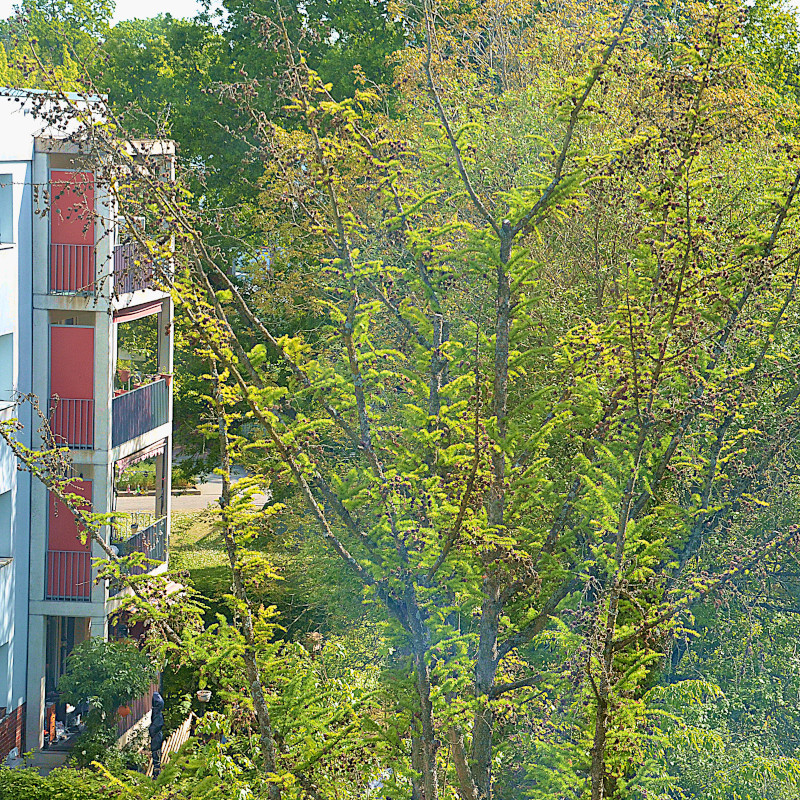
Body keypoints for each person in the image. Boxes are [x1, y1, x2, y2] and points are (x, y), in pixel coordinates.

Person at [149, 692, 165, 777]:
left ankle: (157, 770)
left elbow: (157, 726)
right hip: (156, 737)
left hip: (156, 737)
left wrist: (152, 730)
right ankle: (156, 769)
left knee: (156, 751)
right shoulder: (157, 713)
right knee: (156, 751)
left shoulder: (158, 714)